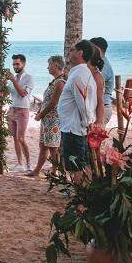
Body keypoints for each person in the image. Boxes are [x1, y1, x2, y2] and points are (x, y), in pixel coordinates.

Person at [58, 40, 97, 182]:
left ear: (80, 53)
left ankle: (81, 199)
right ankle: (84, 196)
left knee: (76, 166)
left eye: (73, 49)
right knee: (80, 163)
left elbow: (84, 103)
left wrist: (88, 123)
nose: (69, 51)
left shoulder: (79, 74)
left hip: (74, 128)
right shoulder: (79, 73)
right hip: (73, 127)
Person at [29, 56, 65, 177]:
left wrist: (40, 114)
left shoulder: (60, 83)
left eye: (49, 65)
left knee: (53, 147)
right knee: (43, 145)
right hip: (47, 119)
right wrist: (41, 111)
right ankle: (37, 170)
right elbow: (47, 101)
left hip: (53, 120)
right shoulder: (55, 81)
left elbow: (54, 103)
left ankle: (55, 171)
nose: (48, 67)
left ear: (56, 65)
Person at [7, 53, 34, 172]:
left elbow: (23, 94)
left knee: (21, 138)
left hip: (23, 110)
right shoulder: (13, 78)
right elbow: (8, 93)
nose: (15, 66)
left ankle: (28, 164)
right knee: (14, 138)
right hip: (12, 109)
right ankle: (19, 163)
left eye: (17, 64)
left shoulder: (28, 77)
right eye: (13, 64)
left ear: (23, 63)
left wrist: (13, 81)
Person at [90, 37, 114, 125]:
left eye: (90, 48)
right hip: (98, 107)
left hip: (102, 108)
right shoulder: (99, 64)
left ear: (97, 49)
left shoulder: (103, 67)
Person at [88, 46, 105, 126]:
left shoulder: (96, 76)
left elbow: (100, 101)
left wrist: (99, 122)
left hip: (91, 120)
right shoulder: (86, 73)